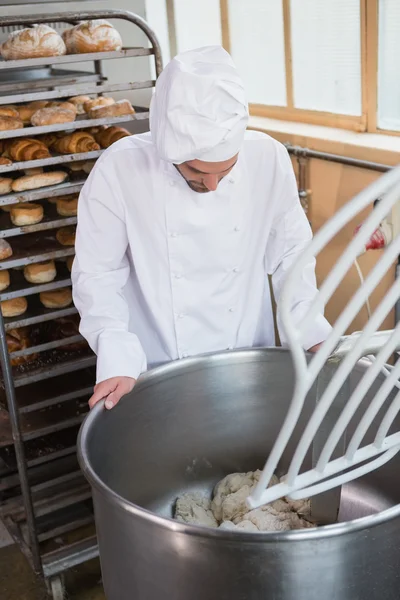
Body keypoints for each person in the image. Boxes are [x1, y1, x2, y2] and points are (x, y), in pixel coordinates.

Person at [72, 45, 331, 410]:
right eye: (197, 172)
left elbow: (292, 254)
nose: (212, 187)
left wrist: (309, 330)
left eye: (225, 172)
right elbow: (98, 274)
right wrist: (116, 354)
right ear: (166, 146)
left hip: (246, 355)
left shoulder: (268, 158)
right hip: (154, 361)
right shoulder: (120, 168)